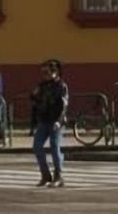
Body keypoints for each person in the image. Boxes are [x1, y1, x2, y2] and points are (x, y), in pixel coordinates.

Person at [31, 59, 70, 187]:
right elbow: (35, 100)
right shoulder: (42, 85)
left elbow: (64, 106)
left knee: (54, 146)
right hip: (44, 120)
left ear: (55, 72)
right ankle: (45, 175)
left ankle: (58, 176)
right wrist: (33, 96)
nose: (45, 75)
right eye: (43, 72)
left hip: (56, 121)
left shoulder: (61, 86)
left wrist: (59, 121)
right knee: (37, 146)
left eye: (47, 72)